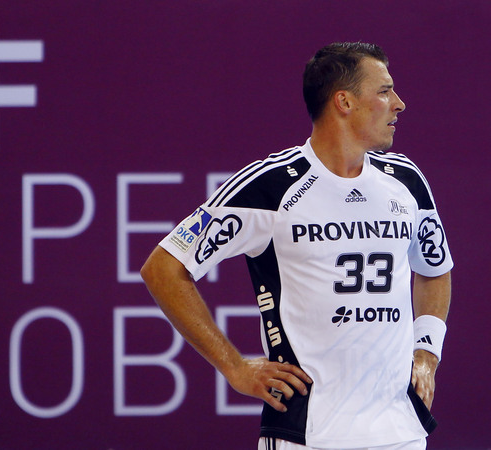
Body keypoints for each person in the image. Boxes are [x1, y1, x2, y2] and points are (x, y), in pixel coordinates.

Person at [140, 42, 452, 449]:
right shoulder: (271, 186)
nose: (399, 103)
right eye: (384, 91)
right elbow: (163, 268)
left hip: (400, 432)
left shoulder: (405, 180)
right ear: (344, 101)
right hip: (306, 434)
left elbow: (434, 268)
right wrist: (235, 367)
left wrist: (426, 352)